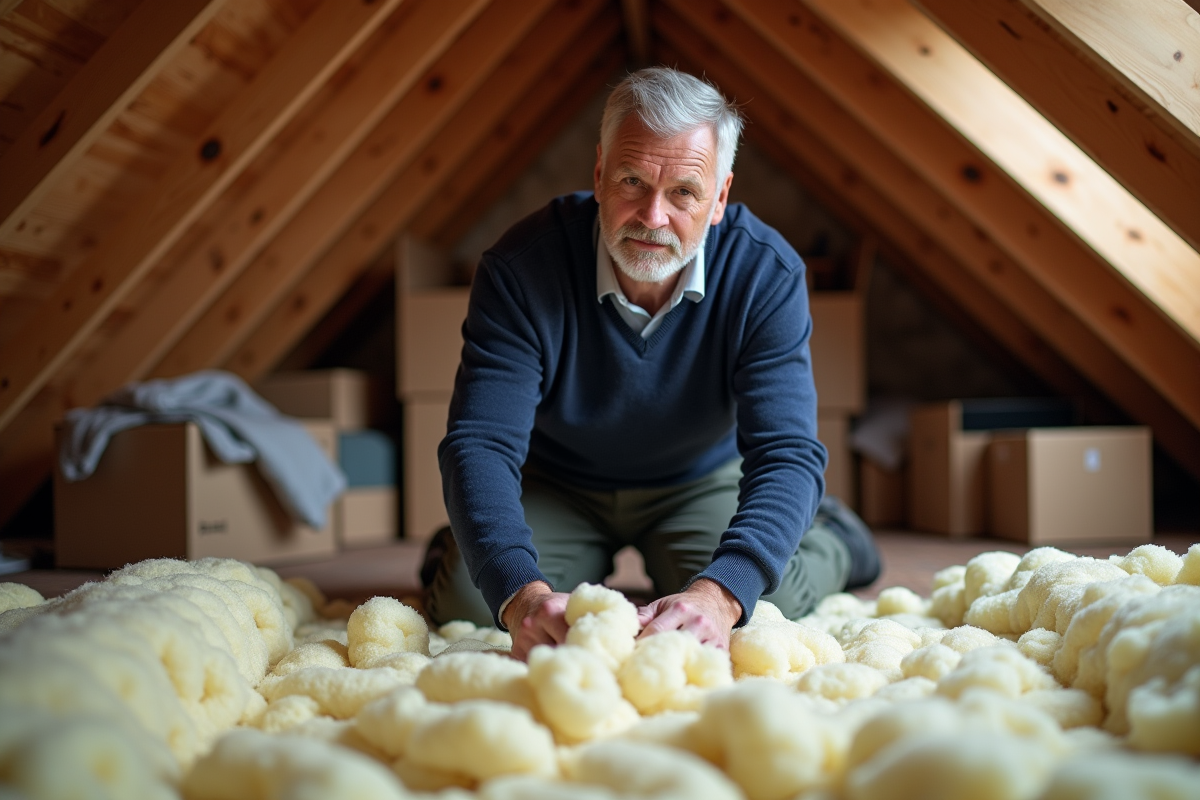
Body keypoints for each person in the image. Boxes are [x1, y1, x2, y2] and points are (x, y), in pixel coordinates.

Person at [423, 67, 879, 661]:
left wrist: (719, 595)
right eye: (632, 181)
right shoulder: (519, 267)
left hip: (697, 479)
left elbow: (786, 451)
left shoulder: (767, 272)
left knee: (767, 603)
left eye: (684, 192)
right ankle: (464, 537)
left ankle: (836, 536)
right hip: (560, 482)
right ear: (598, 174)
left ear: (720, 197)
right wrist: (520, 593)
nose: (652, 217)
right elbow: (480, 441)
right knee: (469, 598)